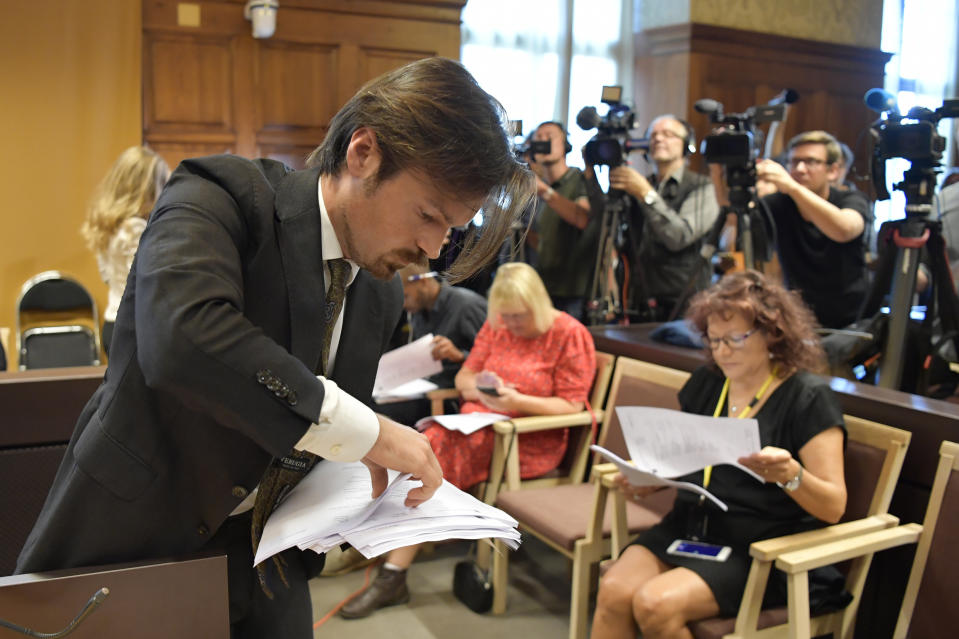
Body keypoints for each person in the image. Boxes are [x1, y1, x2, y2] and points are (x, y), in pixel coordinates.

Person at [16, 57, 534, 639]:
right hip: (134, 539)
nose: (433, 251)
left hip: (269, 561)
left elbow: (305, 433)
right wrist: (371, 433)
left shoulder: (379, 293)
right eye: (428, 216)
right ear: (364, 153)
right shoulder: (218, 197)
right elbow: (184, 340)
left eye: (453, 230)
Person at [590, 270, 849, 639]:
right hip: (692, 526)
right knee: (614, 590)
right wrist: (650, 480)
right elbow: (685, 460)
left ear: (772, 333)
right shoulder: (709, 383)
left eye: (734, 339)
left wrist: (791, 474)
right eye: (713, 341)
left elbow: (834, 506)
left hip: (760, 547)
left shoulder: (806, 398)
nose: (722, 351)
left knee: (655, 603)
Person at [339, 262, 596, 619]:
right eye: (504, 317)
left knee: (430, 447)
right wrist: (487, 393)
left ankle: (392, 569)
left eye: (518, 317)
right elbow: (465, 376)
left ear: (537, 304)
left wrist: (516, 402)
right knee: (426, 442)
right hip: (480, 425)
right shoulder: (498, 325)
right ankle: (388, 546)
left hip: (527, 440)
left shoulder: (569, 333)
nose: (510, 325)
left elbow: (571, 404)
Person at [609, 115, 720, 321]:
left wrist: (646, 194)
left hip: (683, 303)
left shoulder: (702, 187)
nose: (658, 139)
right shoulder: (638, 185)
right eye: (653, 136)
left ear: (688, 145)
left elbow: (679, 236)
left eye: (668, 135)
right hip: (639, 299)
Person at [80, 146, 170, 353]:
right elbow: (145, 283)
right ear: (145, 188)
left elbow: (106, 276)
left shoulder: (108, 225)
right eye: (163, 183)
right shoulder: (135, 228)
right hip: (135, 327)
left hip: (113, 321)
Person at [378, 258, 488, 424]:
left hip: (453, 397)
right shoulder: (417, 313)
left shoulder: (466, 307)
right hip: (425, 390)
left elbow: (497, 360)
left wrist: (459, 356)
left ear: (422, 281)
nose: (402, 305)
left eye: (405, 297)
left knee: (381, 416)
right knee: (367, 407)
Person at [526, 121, 599, 319]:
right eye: (538, 138)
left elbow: (583, 219)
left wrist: (546, 192)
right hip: (541, 288)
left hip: (571, 292)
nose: (543, 141)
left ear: (565, 144)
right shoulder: (534, 187)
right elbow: (537, 240)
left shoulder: (578, 179)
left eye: (549, 137)